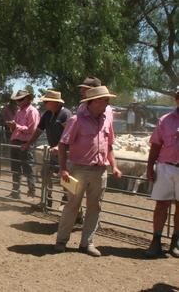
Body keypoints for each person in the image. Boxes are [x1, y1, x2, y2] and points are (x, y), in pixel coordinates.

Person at [54, 86, 122, 257]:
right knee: (71, 206)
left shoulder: (107, 120)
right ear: (95, 101)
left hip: (100, 170)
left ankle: (87, 243)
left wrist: (114, 166)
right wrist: (63, 169)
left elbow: (109, 145)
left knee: (95, 207)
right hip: (77, 169)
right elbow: (63, 144)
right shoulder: (76, 120)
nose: (108, 102)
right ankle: (61, 240)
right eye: (105, 99)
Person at [144, 86, 179, 258]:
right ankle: (156, 240)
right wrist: (150, 167)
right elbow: (156, 144)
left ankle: (176, 241)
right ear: (176, 99)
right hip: (165, 166)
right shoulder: (165, 120)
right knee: (161, 205)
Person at [21, 90, 72, 207]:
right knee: (45, 173)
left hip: (67, 153)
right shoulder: (47, 114)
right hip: (53, 152)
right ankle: (47, 197)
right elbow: (38, 131)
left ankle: (65, 200)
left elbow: (69, 134)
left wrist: (59, 147)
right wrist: (28, 143)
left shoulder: (65, 114)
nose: (44, 103)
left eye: (46, 101)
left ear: (55, 102)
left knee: (65, 177)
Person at [6, 89, 40, 199]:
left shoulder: (32, 111)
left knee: (28, 168)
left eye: (21, 99)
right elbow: (16, 128)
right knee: (15, 168)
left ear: (28, 99)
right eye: (18, 100)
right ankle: (16, 191)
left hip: (25, 143)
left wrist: (17, 127)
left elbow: (32, 130)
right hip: (16, 141)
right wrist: (13, 126)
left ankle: (32, 191)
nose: (18, 102)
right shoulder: (19, 111)